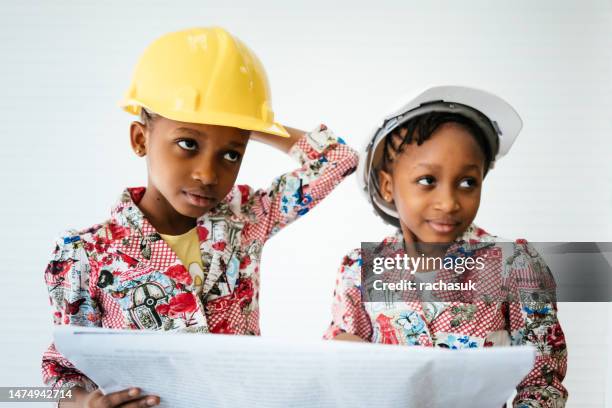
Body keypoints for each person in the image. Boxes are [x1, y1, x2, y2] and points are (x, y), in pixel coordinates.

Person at [41, 27, 358, 408]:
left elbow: (339, 161)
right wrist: (84, 403)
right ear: (141, 139)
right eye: (188, 144)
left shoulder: (245, 220)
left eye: (230, 154)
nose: (208, 174)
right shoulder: (87, 255)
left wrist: (254, 126)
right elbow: (56, 377)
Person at [324, 86, 567, 407]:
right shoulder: (359, 269)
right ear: (387, 186)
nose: (449, 202)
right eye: (427, 180)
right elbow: (337, 367)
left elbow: (542, 384)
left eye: (468, 182)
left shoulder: (516, 264)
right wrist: (344, 356)